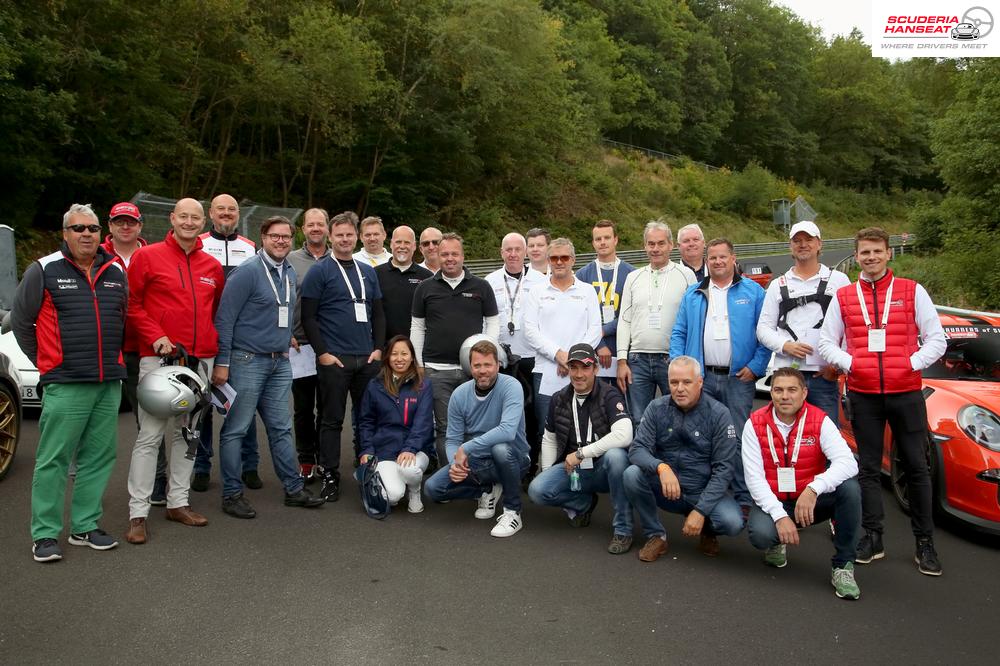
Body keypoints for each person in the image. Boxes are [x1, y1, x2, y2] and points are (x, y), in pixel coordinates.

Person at [819, 227, 946, 576]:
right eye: (864, 253)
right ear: (856, 257)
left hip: (906, 393)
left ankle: (925, 542)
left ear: (889, 253)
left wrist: (909, 364)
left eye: (877, 251)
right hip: (864, 395)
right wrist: (851, 364)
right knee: (869, 470)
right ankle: (873, 536)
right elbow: (826, 343)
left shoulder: (912, 291)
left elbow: (937, 340)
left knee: (918, 469)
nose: (871, 258)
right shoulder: (844, 296)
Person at [12, 204, 128, 562]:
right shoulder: (43, 270)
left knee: (98, 457)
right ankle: (45, 534)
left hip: (108, 381)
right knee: (53, 460)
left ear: (100, 232)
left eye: (92, 228)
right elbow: (21, 322)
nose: (86, 234)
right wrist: (49, 364)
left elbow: (123, 319)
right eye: (78, 228)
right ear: (65, 234)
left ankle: (85, 525)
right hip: (66, 382)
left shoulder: (115, 270)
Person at [125, 197, 225, 544]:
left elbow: (215, 315)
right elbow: (132, 304)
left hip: (199, 362)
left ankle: (177, 502)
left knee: (189, 436)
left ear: (203, 221)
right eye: (183, 216)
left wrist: (213, 356)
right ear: (172, 218)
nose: (189, 221)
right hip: (160, 360)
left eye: (195, 217)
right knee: (150, 436)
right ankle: (138, 512)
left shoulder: (211, 266)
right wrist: (157, 336)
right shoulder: (146, 256)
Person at [212, 216, 325, 518]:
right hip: (247, 360)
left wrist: (286, 335)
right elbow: (225, 319)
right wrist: (222, 362)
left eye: (286, 237)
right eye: (275, 236)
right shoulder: (247, 272)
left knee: (281, 428)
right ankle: (232, 494)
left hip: (279, 361)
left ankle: (293, 488)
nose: (281, 241)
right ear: (262, 237)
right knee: (236, 429)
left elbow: (281, 308)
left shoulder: (287, 270)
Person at [742, 367, 862, 599]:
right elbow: (754, 479)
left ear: (804, 393)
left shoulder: (820, 420)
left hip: (810, 500)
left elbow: (848, 463)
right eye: (778, 390)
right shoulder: (754, 424)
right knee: (761, 535)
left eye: (791, 390)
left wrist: (814, 488)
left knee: (850, 489)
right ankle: (776, 542)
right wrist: (780, 516)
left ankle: (843, 566)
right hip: (775, 500)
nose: (784, 396)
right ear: (771, 392)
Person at [670, 237, 769, 509]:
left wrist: (756, 367)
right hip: (701, 379)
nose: (718, 262)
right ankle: (703, 492)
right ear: (706, 260)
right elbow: (679, 332)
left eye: (723, 256)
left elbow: (766, 333)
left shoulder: (753, 292)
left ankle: (743, 496)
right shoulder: (693, 293)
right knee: (700, 436)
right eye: (712, 258)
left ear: (733, 258)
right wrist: (680, 366)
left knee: (737, 437)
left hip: (739, 378)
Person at [623, 356, 744, 561]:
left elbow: (724, 469)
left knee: (732, 522)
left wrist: (701, 510)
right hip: (667, 489)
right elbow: (637, 449)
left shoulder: (719, 414)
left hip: (701, 490)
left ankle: (707, 530)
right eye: (674, 382)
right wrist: (661, 467)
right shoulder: (656, 407)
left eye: (686, 382)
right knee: (631, 474)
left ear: (700, 382)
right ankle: (656, 536)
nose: (679, 388)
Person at [300, 211, 386, 502]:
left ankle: (366, 470)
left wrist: (378, 348)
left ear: (357, 236)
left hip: (367, 359)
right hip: (335, 360)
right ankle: (330, 474)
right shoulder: (320, 270)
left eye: (350, 234)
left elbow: (378, 313)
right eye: (339, 235)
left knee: (366, 418)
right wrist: (322, 353)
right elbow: (309, 317)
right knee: (331, 419)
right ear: (330, 237)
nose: (345, 239)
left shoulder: (367, 271)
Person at [527, 343, 635, 554]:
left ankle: (623, 528)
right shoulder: (559, 398)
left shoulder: (609, 395)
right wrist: (549, 474)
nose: (578, 374)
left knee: (616, 457)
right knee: (537, 490)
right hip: (574, 469)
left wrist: (581, 453)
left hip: (603, 468)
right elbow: (549, 439)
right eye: (573, 367)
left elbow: (625, 434)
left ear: (595, 369)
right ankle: (583, 502)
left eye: (585, 367)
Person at [424, 339, 530, 537]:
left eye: (488, 364)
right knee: (433, 489)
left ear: (498, 365)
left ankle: (513, 512)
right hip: (478, 463)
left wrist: (467, 448)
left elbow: (507, 431)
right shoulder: (459, 395)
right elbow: (453, 439)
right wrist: (456, 462)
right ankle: (486, 489)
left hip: (514, 457)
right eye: (477, 365)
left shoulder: (511, 386)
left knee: (500, 449)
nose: (483, 370)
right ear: (469, 367)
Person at [410, 233, 499, 465]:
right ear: (437, 256)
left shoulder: (482, 286)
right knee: (445, 427)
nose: (450, 259)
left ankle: (477, 474)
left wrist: (486, 358)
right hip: (437, 371)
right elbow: (417, 328)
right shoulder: (424, 288)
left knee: (478, 426)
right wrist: (418, 365)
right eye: (445, 254)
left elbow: (493, 322)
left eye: (454, 254)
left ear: (462, 256)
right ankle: (450, 475)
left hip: (473, 372)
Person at [192, 193, 259, 493]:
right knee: (203, 404)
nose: (227, 214)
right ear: (211, 213)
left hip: (242, 339)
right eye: (221, 209)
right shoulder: (199, 243)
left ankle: (250, 465)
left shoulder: (250, 248)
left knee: (243, 403)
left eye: (232, 209)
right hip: (206, 335)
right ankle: (202, 466)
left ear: (238, 214)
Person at [100, 201, 167, 504]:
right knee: (96, 416)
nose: (125, 227)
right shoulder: (96, 255)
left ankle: (158, 478)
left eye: (131, 222)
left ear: (140, 226)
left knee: (149, 417)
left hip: (139, 349)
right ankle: (86, 474)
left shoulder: (152, 256)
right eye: (119, 222)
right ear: (110, 226)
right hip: (101, 348)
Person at [523, 238, 602, 476]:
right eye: (554, 258)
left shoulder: (587, 291)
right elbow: (530, 331)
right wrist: (558, 355)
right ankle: (549, 475)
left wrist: (572, 360)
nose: (559, 262)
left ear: (573, 260)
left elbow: (595, 329)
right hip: (546, 371)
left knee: (581, 429)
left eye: (564, 257)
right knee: (546, 430)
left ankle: (581, 481)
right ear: (548, 261)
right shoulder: (537, 292)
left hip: (580, 371)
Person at [757, 221, 850, 420]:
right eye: (797, 240)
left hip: (823, 375)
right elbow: (763, 329)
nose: (803, 244)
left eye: (809, 239)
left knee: (826, 436)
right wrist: (785, 345)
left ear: (819, 244)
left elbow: (850, 327)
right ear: (790, 246)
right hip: (786, 376)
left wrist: (838, 366)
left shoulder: (839, 281)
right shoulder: (777, 285)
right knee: (786, 434)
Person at [616, 220, 695, 426]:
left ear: (671, 245)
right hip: (637, 360)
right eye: (651, 244)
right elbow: (625, 320)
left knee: (678, 417)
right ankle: (642, 458)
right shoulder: (633, 277)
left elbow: (694, 319)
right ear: (644, 246)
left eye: (661, 243)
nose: (656, 249)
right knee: (639, 419)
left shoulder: (686, 275)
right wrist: (622, 360)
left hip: (672, 359)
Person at [485, 233, 547, 460]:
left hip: (533, 357)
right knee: (505, 415)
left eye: (517, 249)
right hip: (502, 360)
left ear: (525, 252)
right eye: (508, 250)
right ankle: (506, 459)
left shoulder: (541, 281)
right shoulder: (490, 281)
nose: (512, 254)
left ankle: (532, 460)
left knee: (532, 413)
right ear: (502, 252)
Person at [357, 336, 435, 513]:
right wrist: (367, 450)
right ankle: (394, 484)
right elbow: (366, 422)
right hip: (385, 451)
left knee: (409, 471)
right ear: (387, 358)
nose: (399, 359)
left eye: (404, 354)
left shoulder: (424, 385)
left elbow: (423, 423)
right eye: (394, 354)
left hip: (416, 451)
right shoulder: (375, 385)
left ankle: (415, 491)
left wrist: (410, 448)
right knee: (392, 497)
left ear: (412, 357)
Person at [287, 207, 331, 479]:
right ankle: (306, 458)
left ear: (327, 228)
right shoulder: (290, 259)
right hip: (300, 345)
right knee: (303, 408)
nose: (316, 228)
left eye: (320, 224)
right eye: (310, 224)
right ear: (303, 228)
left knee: (327, 408)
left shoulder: (337, 259)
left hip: (331, 345)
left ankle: (326, 457)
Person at [576, 220, 636, 384]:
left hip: (625, 350)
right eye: (598, 239)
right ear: (593, 243)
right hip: (593, 351)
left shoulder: (632, 274)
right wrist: (599, 342)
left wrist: (604, 330)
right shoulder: (582, 275)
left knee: (622, 404)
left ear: (615, 239)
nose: (602, 242)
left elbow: (632, 313)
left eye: (607, 237)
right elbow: (580, 316)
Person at [375, 225, 432, 340]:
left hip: (415, 346)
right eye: (398, 242)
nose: (402, 246)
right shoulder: (375, 274)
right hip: (384, 347)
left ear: (414, 246)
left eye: (407, 242)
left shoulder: (427, 277)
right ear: (391, 244)